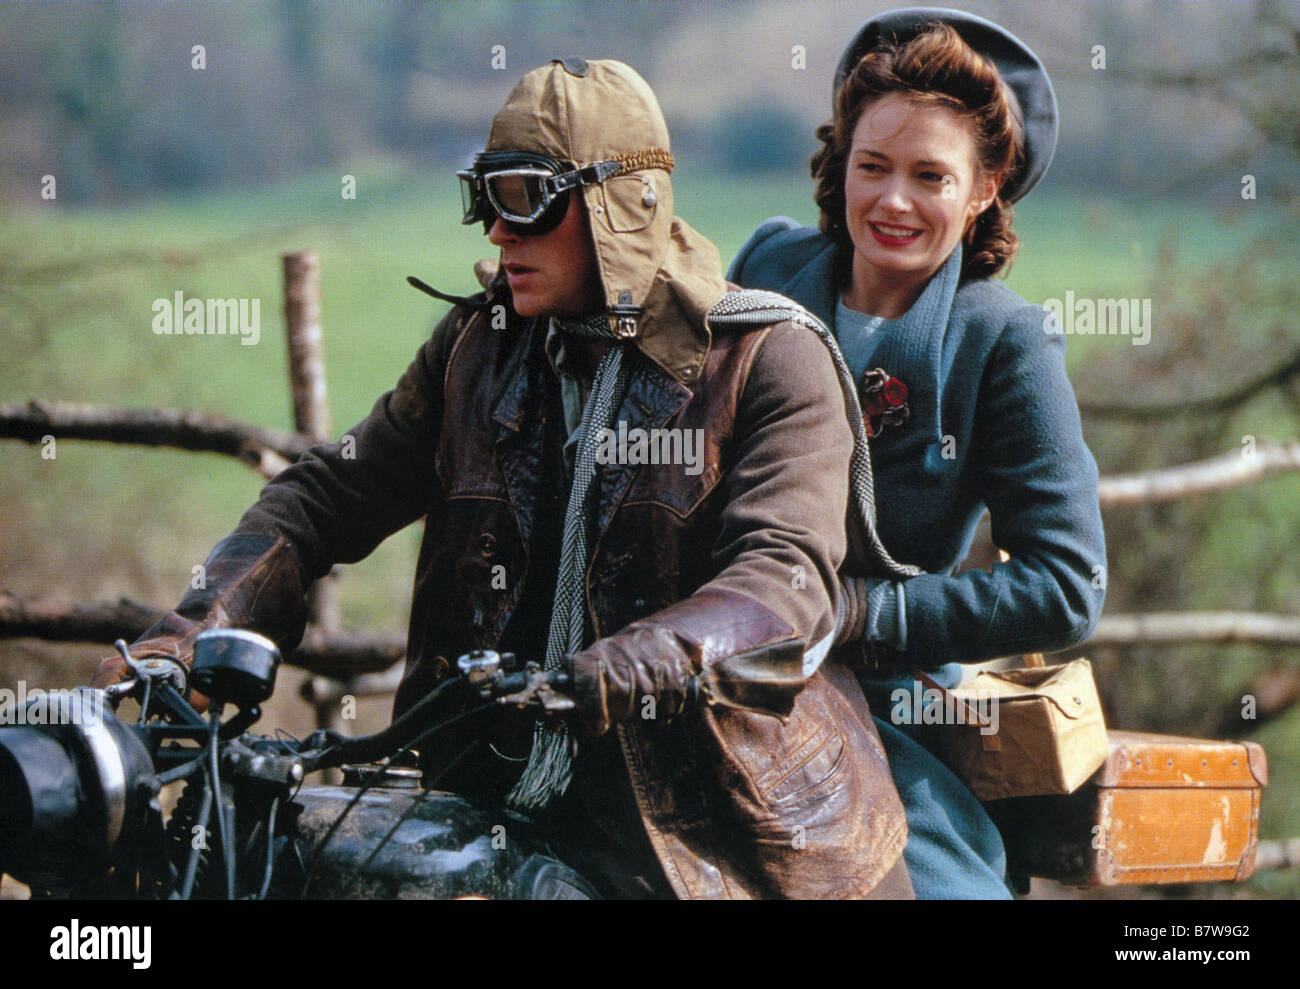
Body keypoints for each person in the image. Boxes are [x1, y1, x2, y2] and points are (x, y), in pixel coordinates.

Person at [92, 57, 915, 899]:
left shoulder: (769, 360)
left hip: (715, 835)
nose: (497, 231)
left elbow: (783, 582)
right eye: (486, 197)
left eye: (525, 197)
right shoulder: (477, 347)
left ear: (620, 205)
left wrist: (639, 658)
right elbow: (326, 495)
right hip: (495, 802)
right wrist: (193, 629)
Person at [729, 9, 1107, 898]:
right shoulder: (768, 268)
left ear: (984, 188)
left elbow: (1067, 583)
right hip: (714, 666)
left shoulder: (1004, 344)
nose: (892, 200)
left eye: (930, 175)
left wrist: (862, 613)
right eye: (873, 166)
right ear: (841, 163)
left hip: (885, 707)